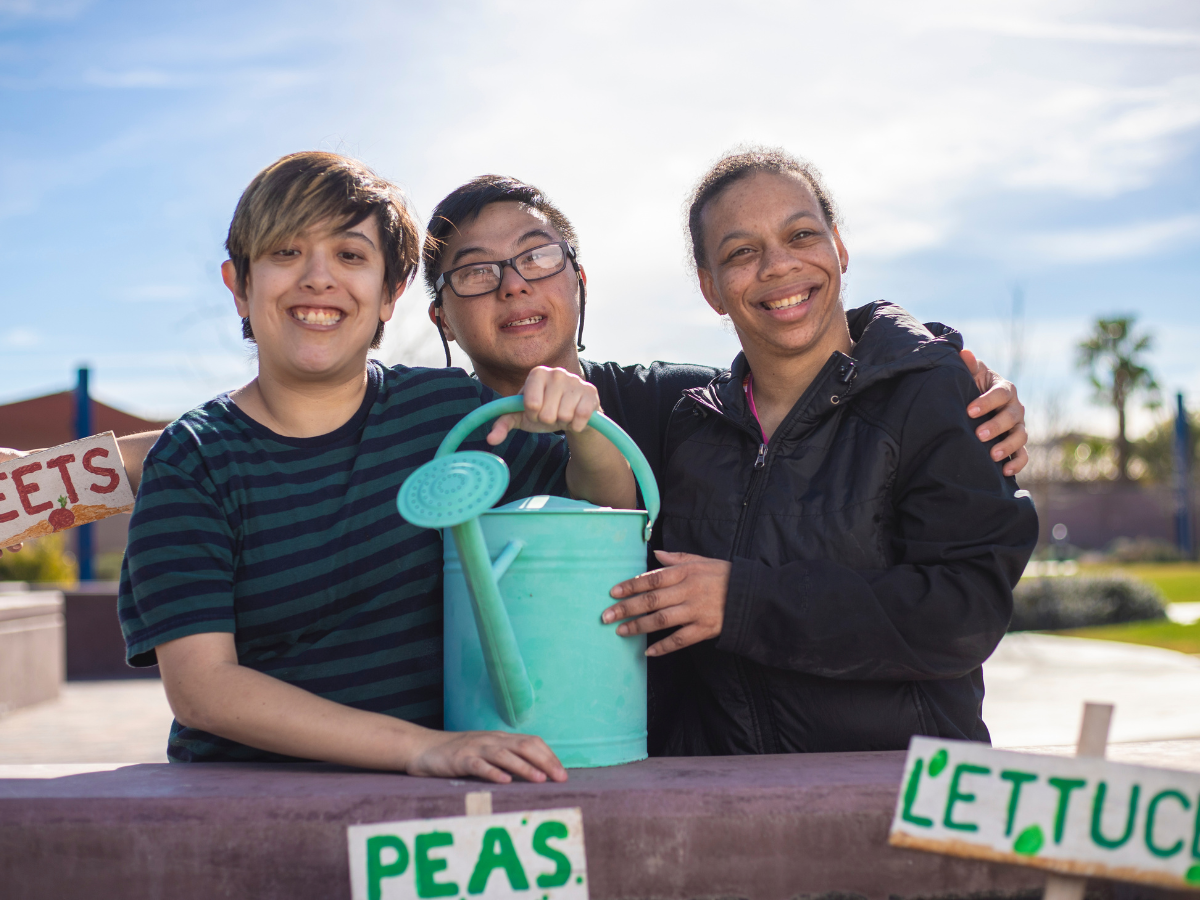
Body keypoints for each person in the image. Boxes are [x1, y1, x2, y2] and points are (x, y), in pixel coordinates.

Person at [115, 151, 634, 782]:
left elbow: (600, 514)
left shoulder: (449, 413)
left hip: (436, 812)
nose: (318, 278)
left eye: (351, 256)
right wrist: (421, 748)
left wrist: (585, 432)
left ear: (390, 294)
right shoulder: (192, 459)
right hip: (251, 803)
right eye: (285, 252)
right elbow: (203, 688)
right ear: (239, 285)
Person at [600, 148, 1039, 754]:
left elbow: (964, 614)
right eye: (741, 252)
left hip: (897, 799)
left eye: (801, 234)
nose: (779, 265)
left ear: (839, 247)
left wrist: (745, 603)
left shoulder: (932, 391)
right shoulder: (692, 426)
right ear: (711, 289)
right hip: (725, 809)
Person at [423, 175, 1030, 491]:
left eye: (537, 258)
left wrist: (946, 372)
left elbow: (817, 387)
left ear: (579, 280)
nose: (513, 286)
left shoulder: (682, 405)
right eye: (476, 271)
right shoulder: (411, 426)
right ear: (441, 316)